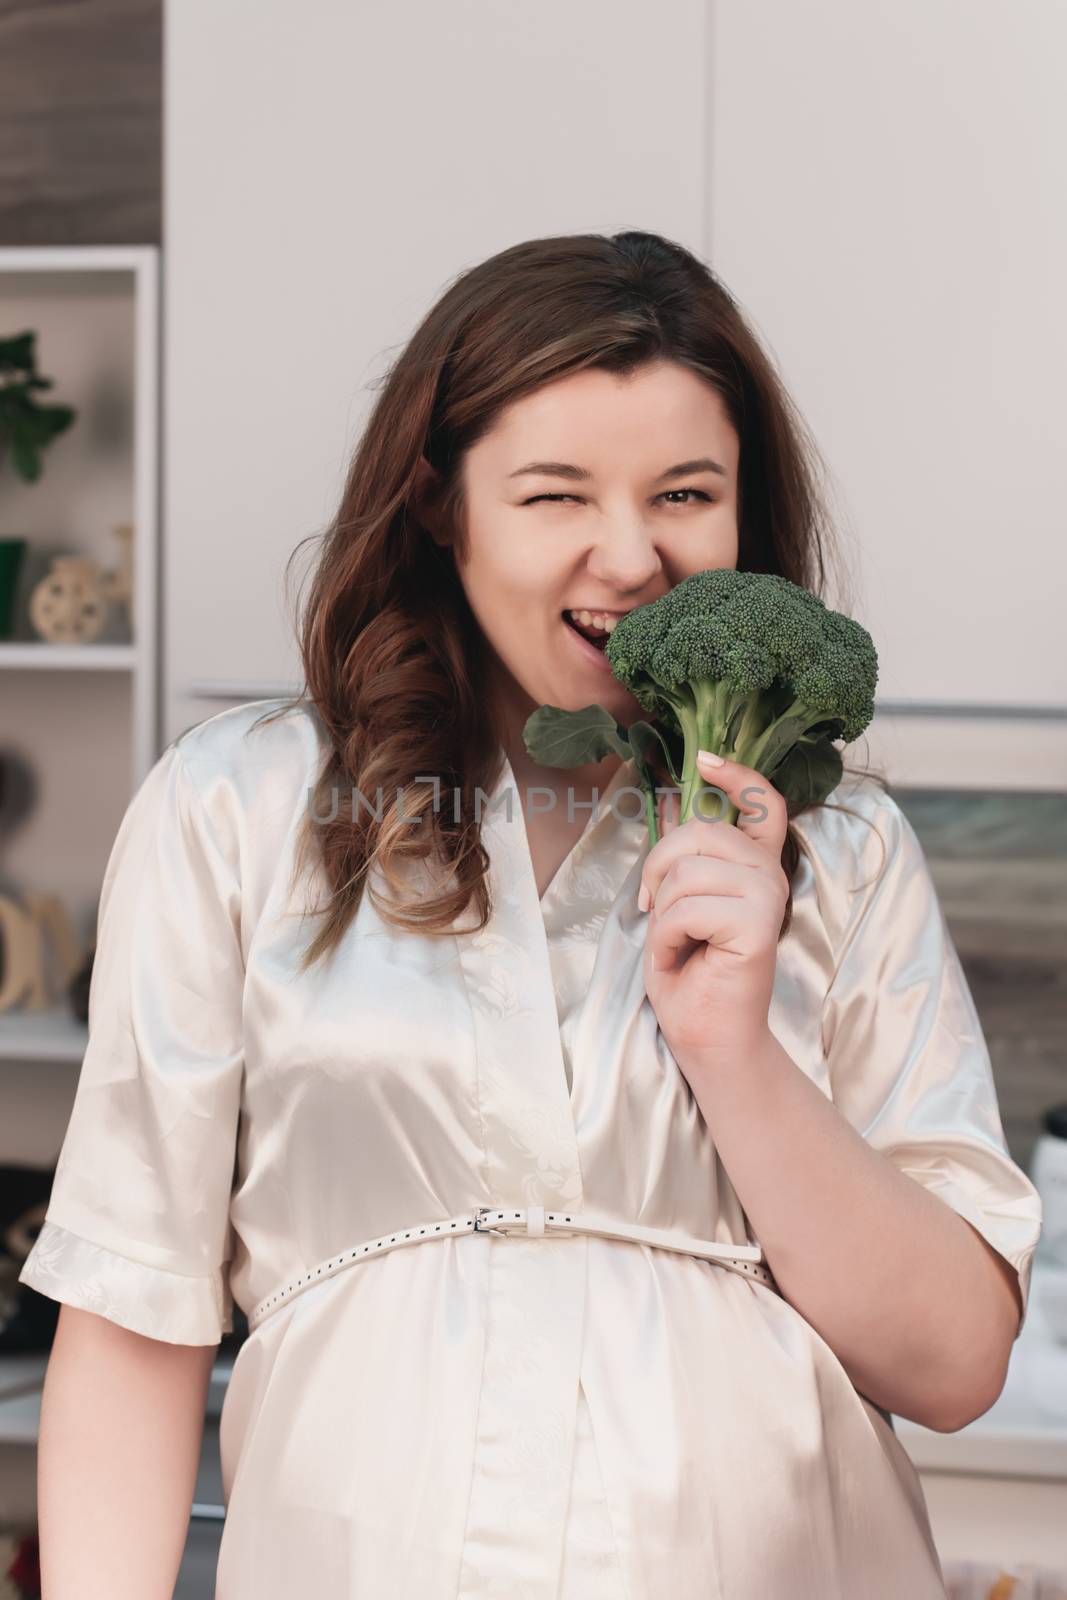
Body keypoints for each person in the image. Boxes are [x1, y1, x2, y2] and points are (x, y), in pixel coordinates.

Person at [21, 231, 1042, 1599]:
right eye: (555, 494)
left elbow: (959, 1364)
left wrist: (735, 1053)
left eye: (686, 491)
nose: (630, 555)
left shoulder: (842, 850)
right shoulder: (242, 810)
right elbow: (134, 1324)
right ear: (441, 504)